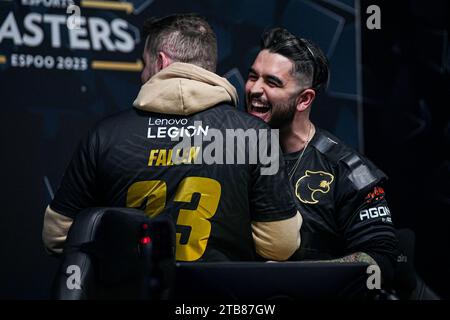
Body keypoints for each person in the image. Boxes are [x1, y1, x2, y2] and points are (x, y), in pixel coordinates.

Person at [42, 15, 302, 262]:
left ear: (161, 62)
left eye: (145, 64)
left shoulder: (104, 135)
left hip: (132, 290)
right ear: (208, 66)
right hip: (218, 298)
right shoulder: (255, 136)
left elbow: (57, 236)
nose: (143, 74)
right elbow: (280, 245)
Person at [245, 27, 398, 284]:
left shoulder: (347, 171)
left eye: (271, 82)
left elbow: (382, 258)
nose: (254, 89)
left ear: (304, 99)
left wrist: (295, 275)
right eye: (252, 77)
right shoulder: (227, 152)